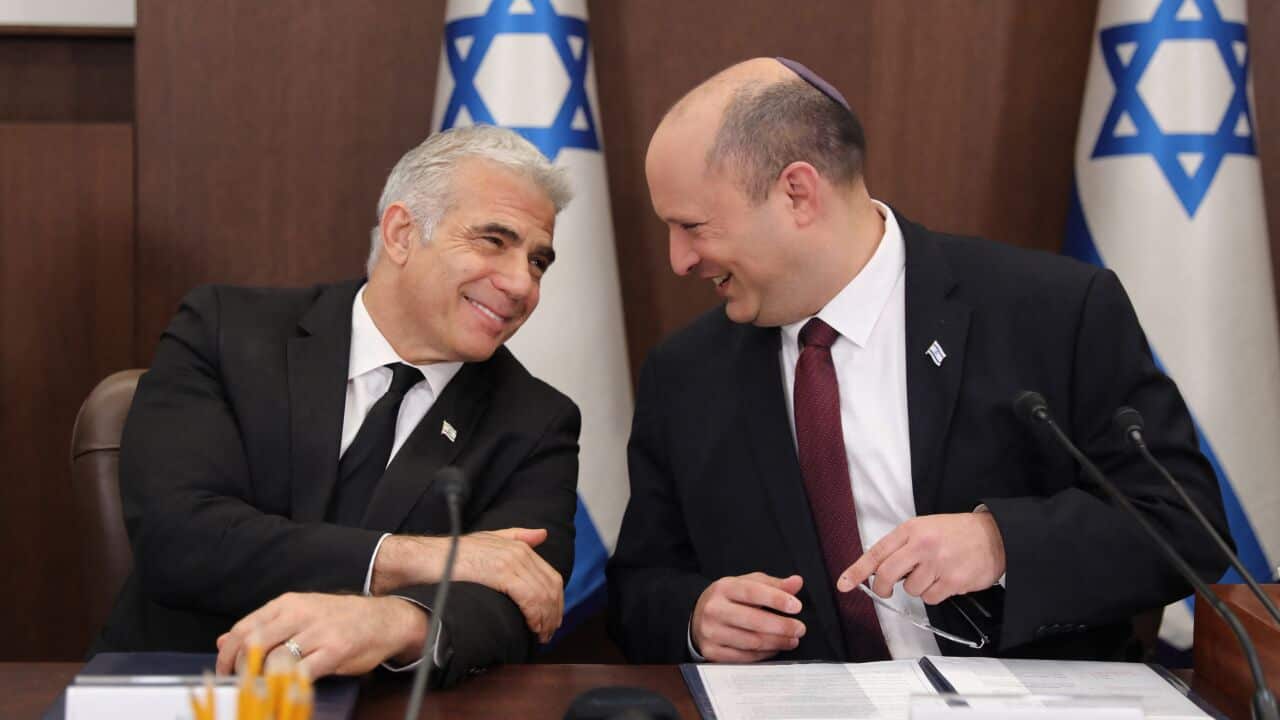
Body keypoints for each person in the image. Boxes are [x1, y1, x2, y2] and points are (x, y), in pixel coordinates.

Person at [607, 57, 1229, 665]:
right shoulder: (684, 374)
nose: (679, 261)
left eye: (692, 226)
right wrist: (695, 617)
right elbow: (639, 587)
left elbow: (1185, 526)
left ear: (797, 193)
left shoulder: (1051, 310)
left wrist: (1001, 544)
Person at [92, 125, 582, 688]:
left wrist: (393, 622)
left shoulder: (536, 420)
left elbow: (517, 605)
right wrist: (419, 558)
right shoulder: (224, 331)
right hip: (184, 682)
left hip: (383, 702)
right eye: (494, 241)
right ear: (401, 234)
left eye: (539, 261)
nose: (522, 283)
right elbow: (179, 536)